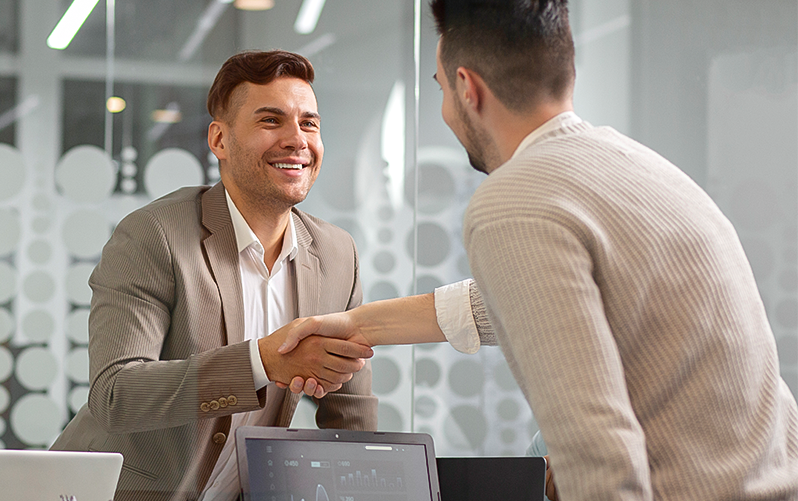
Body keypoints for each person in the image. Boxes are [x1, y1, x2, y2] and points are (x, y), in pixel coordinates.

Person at [277, 1, 798, 499]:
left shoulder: (515, 200)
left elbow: (596, 450)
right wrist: (358, 325)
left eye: (439, 89)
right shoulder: (636, 168)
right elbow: (517, 299)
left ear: (467, 88)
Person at [50, 50, 378, 501]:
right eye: (270, 121)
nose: (297, 140)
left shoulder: (337, 254)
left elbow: (350, 412)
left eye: (309, 123)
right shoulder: (155, 235)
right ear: (219, 140)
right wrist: (261, 362)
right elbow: (116, 394)